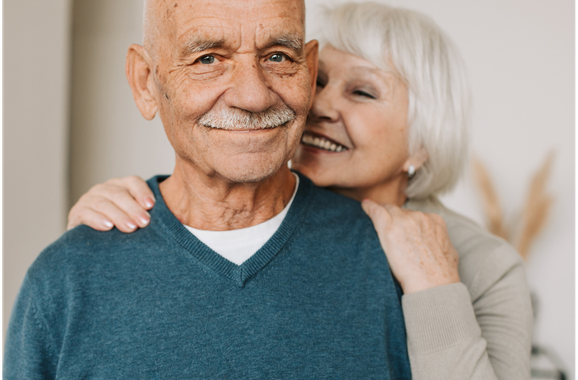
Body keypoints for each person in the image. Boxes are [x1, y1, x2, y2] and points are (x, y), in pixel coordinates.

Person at [67, 2, 534, 380]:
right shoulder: (238, 221)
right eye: (320, 81)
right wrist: (108, 239)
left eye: (363, 93)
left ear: (424, 142)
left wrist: (435, 287)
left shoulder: (485, 266)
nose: (319, 105)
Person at [4, 0, 416, 378]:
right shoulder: (66, 278)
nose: (253, 96)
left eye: (277, 56)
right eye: (208, 58)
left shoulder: (398, 264)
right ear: (146, 82)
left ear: (308, 73)